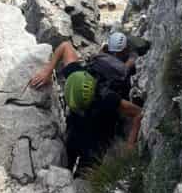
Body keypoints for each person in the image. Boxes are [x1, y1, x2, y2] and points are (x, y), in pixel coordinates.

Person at [31, 32, 143, 170]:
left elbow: (138, 112)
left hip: (98, 133)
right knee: (68, 156)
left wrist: (130, 145)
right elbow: (65, 46)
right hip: (78, 127)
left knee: (85, 168)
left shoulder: (107, 98)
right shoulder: (77, 75)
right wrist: (47, 71)